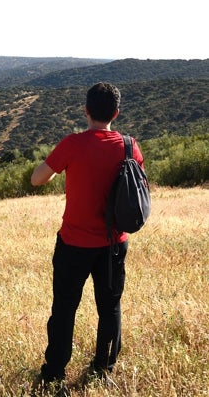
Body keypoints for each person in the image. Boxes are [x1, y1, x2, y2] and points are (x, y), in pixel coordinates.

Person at [30, 82, 145, 394]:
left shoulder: (72, 144)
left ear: (86, 110)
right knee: (110, 308)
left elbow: (36, 179)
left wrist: (59, 168)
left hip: (74, 244)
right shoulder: (129, 145)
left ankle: (54, 374)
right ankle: (102, 370)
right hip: (114, 242)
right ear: (116, 113)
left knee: (64, 309)